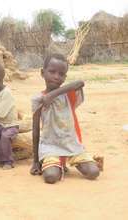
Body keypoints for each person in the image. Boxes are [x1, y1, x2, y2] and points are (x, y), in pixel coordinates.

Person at [30, 53, 100, 184]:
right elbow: (35, 130)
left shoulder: (68, 95)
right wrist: (35, 161)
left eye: (61, 74)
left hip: (71, 144)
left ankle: (68, 163)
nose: (56, 77)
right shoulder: (37, 100)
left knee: (93, 172)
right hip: (49, 146)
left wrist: (53, 94)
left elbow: (80, 83)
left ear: (65, 77)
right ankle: (56, 165)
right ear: (42, 72)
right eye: (52, 72)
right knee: (51, 177)